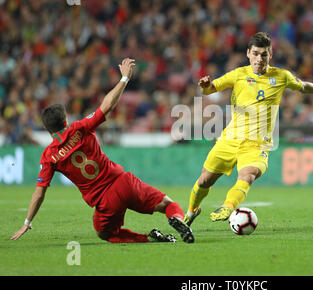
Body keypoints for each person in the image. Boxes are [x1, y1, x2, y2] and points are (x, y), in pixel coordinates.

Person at [10, 58, 194, 244]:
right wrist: (124, 79)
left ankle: (148, 238)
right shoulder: (79, 128)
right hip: (123, 182)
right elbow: (106, 106)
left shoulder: (49, 156)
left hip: (105, 202)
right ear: (65, 121)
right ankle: (177, 220)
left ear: (48, 130)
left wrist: (27, 222)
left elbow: (39, 193)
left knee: (105, 233)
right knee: (168, 204)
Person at [184, 32, 313, 225]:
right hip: (230, 138)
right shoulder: (238, 74)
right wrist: (205, 86)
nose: (259, 59)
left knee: (248, 174)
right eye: (255, 53)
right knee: (204, 180)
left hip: (257, 144)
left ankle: (228, 207)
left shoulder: (281, 76)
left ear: (270, 55)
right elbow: (211, 88)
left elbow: (303, 86)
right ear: (248, 53)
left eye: (264, 54)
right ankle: (191, 211)